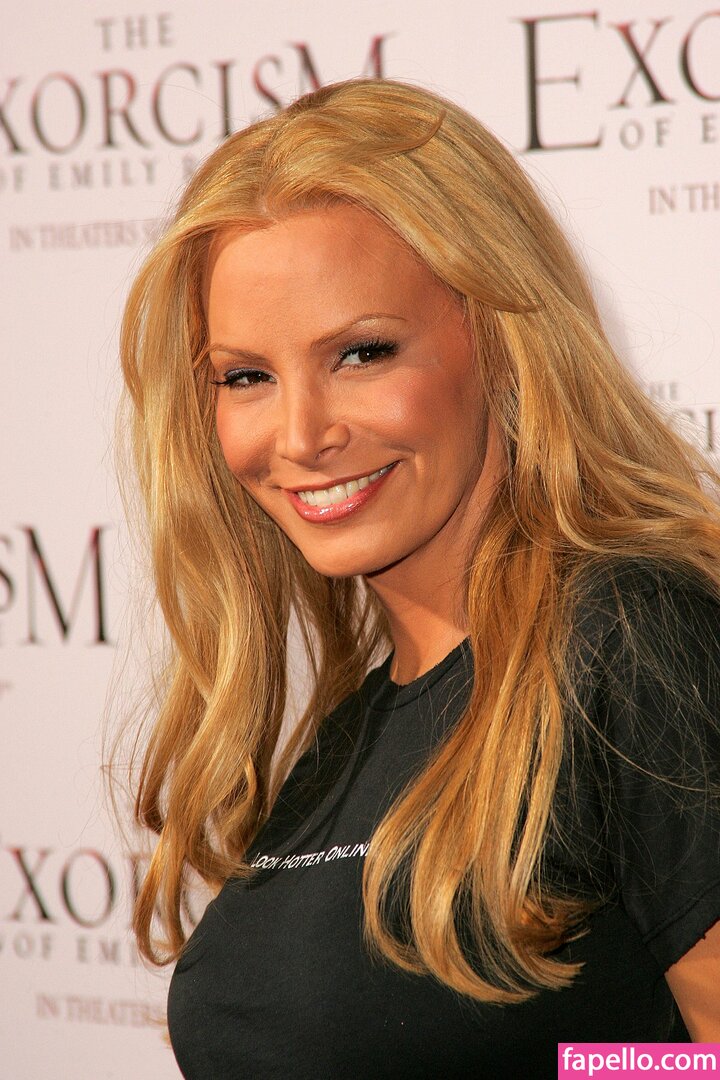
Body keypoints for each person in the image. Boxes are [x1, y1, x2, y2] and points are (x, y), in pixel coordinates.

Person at [119, 79, 720, 1078]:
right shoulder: (351, 731)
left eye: (362, 353)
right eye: (247, 376)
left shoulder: (632, 639)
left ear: (507, 344)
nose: (301, 434)